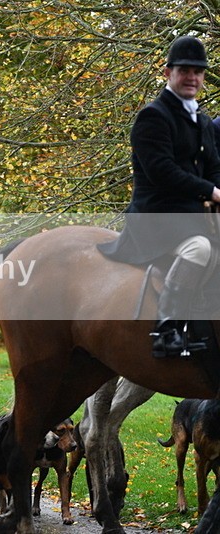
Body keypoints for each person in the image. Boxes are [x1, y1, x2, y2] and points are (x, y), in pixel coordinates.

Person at [98, 35, 220, 358]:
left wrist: (217, 188)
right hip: (156, 218)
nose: (192, 77)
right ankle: (167, 329)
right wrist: (211, 191)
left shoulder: (203, 122)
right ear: (168, 73)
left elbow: (214, 169)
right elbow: (161, 171)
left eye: (198, 71)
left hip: (192, 216)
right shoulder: (153, 117)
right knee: (200, 248)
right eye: (184, 70)